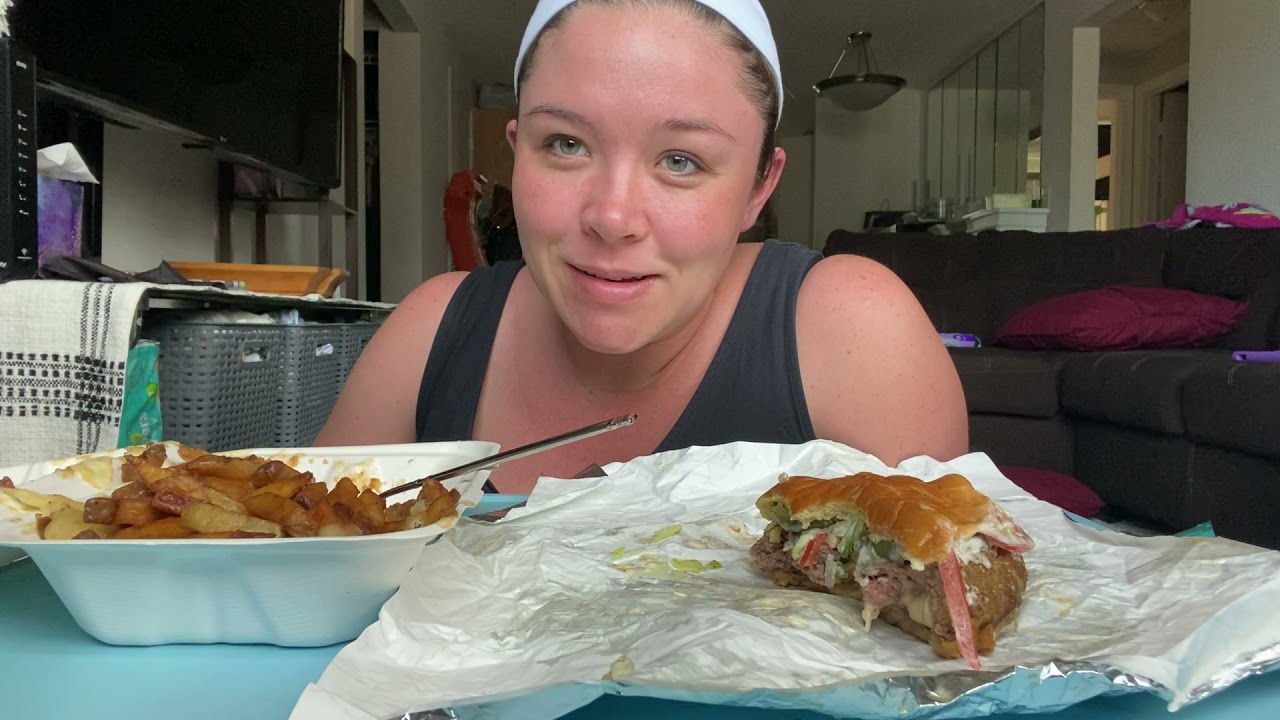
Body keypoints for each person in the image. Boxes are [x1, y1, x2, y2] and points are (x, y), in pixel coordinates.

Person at [314, 0, 967, 494]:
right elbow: (304, 548)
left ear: (758, 189)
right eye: (565, 144)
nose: (613, 217)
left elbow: (950, 622)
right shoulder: (432, 331)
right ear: (517, 153)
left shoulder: (855, 333)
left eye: (681, 160)